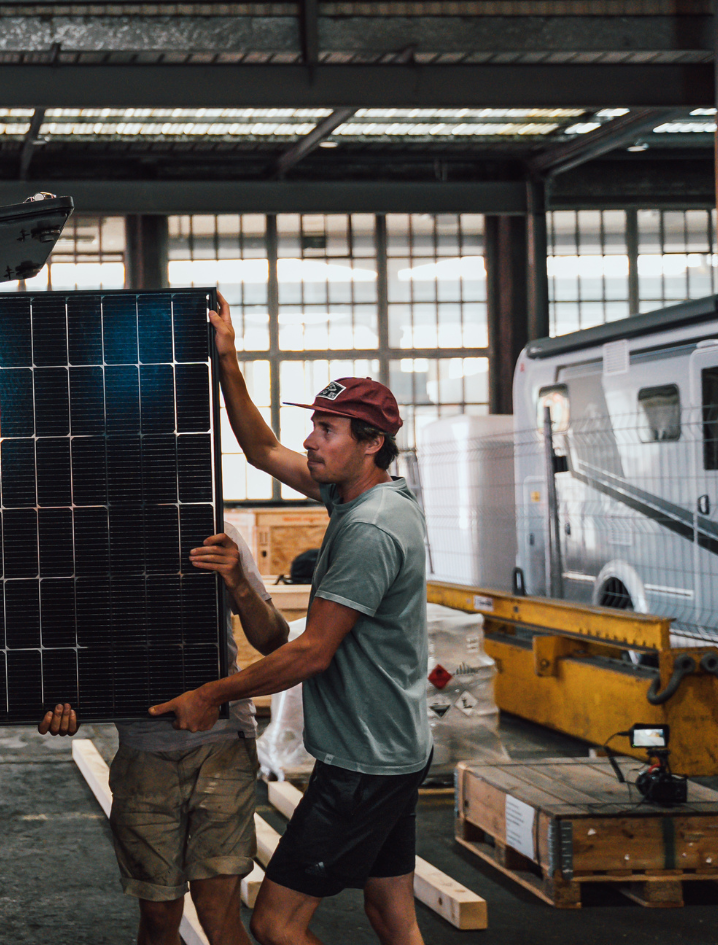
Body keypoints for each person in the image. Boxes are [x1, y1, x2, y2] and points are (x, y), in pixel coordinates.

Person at [148, 292, 432, 945]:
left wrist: (210, 692)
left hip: (365, 762)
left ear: (372, 443)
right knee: (392, 913)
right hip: (395, 748)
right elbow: (261, 449)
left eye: (327, 429)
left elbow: (310, 653)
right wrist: (228, 359)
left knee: (276, 924)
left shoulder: (369, 530)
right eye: (316, 424)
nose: (310, 439)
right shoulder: (367, 491)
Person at [39, 524, 291, 945]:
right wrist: (62, 704)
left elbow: (274, 640)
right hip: (142, 754)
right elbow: (66, 644)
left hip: (222, 745)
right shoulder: (79, 540)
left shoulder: (216, 534)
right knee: (157, 917)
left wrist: (238, 581)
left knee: (218, 915)